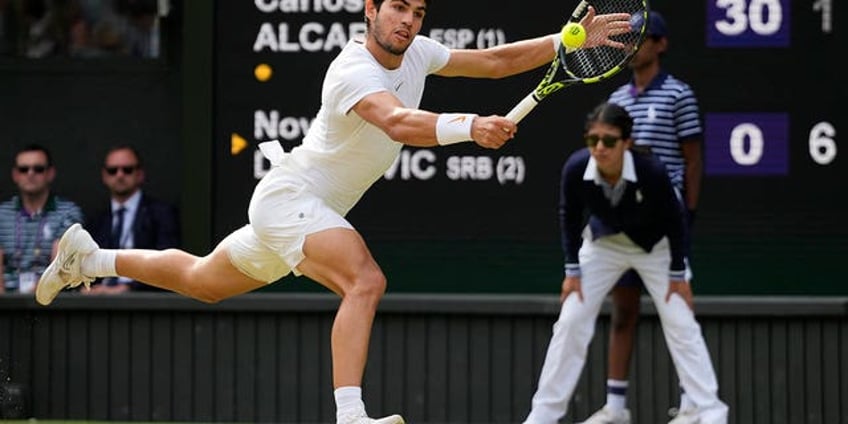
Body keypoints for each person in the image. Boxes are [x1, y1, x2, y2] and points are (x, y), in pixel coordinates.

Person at [34, 1, 633, 423]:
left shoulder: (420, 53)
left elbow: (497, 63)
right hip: (291, 199)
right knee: (365, 280)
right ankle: (351, 416)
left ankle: (90, 254)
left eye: (418, 12)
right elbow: (398, 122)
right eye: (398, 8)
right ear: (370, 10)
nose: (408, 20)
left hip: (301, 209)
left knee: (201, 281)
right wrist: (466, 127)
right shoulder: (351, 70)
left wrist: (564, 42)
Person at [522, 102, 727, 424]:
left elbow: (676, 221)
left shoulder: (652, 172)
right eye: (593, 140)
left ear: (627, 143)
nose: (600, 148)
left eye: (609, 141)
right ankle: (543, 416)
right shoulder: (576, 169)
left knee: (680, 322)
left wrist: (677, 272)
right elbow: (569, 216)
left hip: (657, 247)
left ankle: (710, 412)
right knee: (571, 320)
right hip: (604, 245)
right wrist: (571, 270)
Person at [580, 11, 706, 424]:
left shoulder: (679, 95)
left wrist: (686, 214)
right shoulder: (616, 101)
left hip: (665, 225)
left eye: (643, 38)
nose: (634, 46)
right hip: (622, 225)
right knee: (623, 312)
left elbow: (692, 161)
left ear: (661, 44)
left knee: (678, 316)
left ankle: (693, 404)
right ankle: (616, 407)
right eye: (629, 39)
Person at [83, 144, 180, 294]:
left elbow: (166, 265)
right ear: (104, 176)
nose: (120, 175)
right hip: (97, 302)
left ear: (140, 174)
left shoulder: (161, 214)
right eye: (112, 170)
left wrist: (128, 288)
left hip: (143, 303)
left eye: (127, 170)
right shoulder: (97, 220)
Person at [0, 144, 83, 294]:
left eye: (38, 169)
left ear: (50, 173)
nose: (30, 174)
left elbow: (59, 268)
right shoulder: (2, 213)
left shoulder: (67, 212)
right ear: (15, 175)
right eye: (23, 169)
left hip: (51, 303)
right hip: (7, 304)